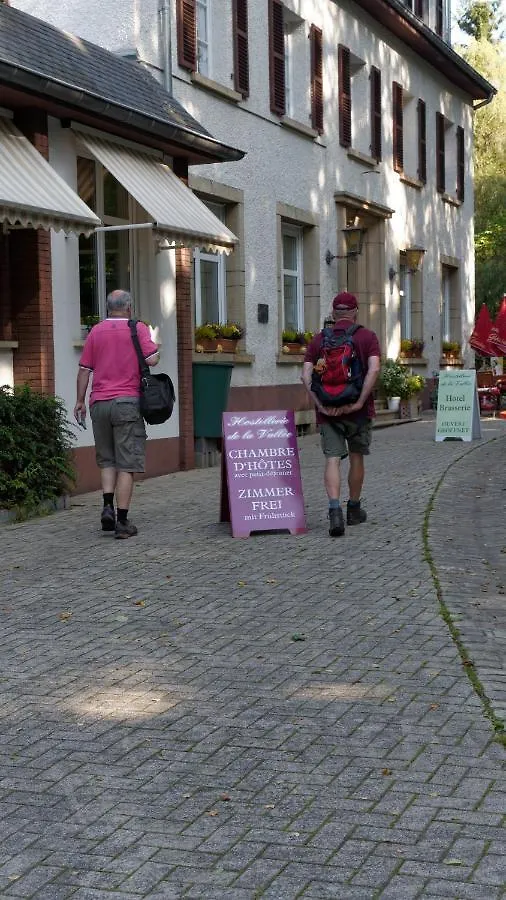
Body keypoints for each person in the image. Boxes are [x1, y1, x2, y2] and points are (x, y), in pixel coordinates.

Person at [74, 289, 160, 539]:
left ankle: (107, 507)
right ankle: (122, 522)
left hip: (98, 403)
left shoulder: (95, 331)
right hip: (127, 403)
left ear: (108, 308)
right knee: (126, 462)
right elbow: (152, 360)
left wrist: (80, 401)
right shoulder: (138, 328)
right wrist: (151, 343)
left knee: (107, 459)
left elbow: (84, 370)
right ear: (129, 307)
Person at [302, 291, 381, 537]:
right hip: (357, 411)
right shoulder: (367, 337)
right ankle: (354, 510)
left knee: (332, 459)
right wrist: (358, 402)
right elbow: (374, 369)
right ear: (355, 311)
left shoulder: (318, 341)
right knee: (357, 456)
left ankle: (334, 511)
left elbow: (305, 376)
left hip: (328, 411)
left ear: (334, 313)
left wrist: (321, 405)